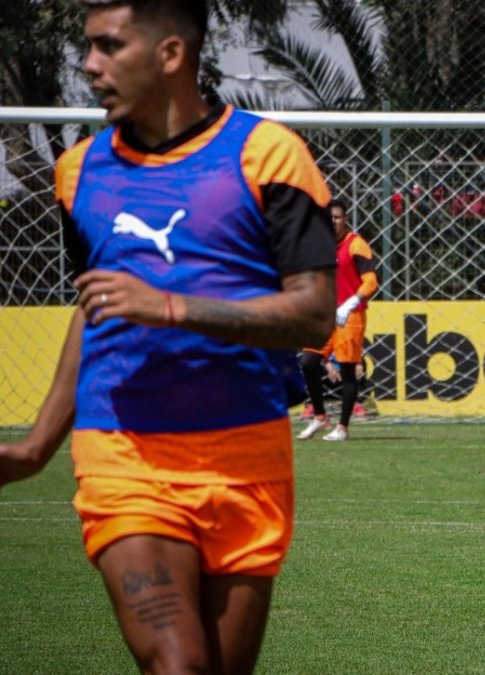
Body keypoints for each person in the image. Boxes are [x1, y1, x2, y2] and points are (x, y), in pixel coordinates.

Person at [0, 1, 336, 672]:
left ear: (171, 54)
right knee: (177, 664)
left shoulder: (269, 154)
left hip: (247, 455)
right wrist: (38, 445)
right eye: (87, 47)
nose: (89, 66)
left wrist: (173, 307)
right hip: (126, 453)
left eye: (108, 46)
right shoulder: (80, 170)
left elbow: (314, 314)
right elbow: (95, 306)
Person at [297, 198, 379, 441]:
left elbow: (371, 281)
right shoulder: (321, 247)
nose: (333, 221)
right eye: (329, 217)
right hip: (326, 315)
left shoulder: (356, 244)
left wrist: (351, 303)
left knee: (347, 370)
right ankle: (320, 417)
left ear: (345, 219)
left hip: (350, 315)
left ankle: (342, 427)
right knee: (309, 361)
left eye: (337, 217)